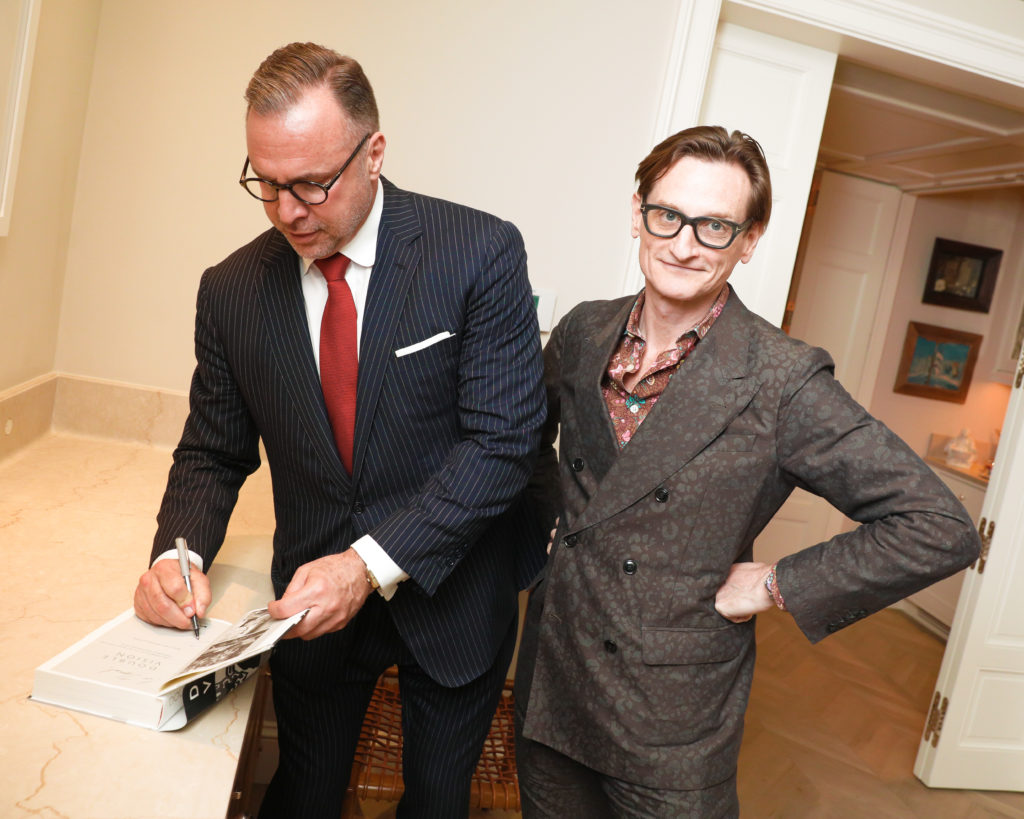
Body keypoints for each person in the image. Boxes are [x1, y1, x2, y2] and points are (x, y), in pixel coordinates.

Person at [514, 125, 981, 818]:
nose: (683, 244)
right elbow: (527, 445)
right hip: (553, 679)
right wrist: (553, 525)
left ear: (750, 240)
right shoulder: (584, 329)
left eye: (715, 226)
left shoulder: (782, 378)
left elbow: (939, 526)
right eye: (668, 215)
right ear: (638, 212)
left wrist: (773, 583)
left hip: (669, 716)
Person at [132, 42, 547, 819]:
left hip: (454, 592)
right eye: (267, 183)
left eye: (312, 183)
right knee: (304, 793)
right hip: (311, 605)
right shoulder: (231, 290)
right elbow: (212, 451)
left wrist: (364, 565)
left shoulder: (478, 253)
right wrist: (174, 555)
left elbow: (502, 445)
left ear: (374, 153)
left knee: (435, 802)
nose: (288, 210)